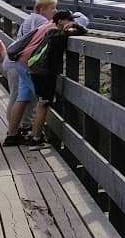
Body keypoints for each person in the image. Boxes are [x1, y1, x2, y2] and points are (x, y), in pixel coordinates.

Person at [24, 10, 84, 147]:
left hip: (36, 69)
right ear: (61, 21)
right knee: (43, 104)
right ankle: (36, 139)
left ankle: (35, 135)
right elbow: (83, 32)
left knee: (41, 103)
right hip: (45, 72)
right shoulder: (59, 34)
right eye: (69, 19)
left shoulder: (51, 32)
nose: (72, 22)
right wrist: (76, 26)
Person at [4, 0, 57, 143]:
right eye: (52, 8)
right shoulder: (41, 20)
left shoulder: (30, 18)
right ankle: (36, 135)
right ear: (41, 9)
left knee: (21, 98)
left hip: (17, 60)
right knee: (41, 99)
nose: (54, 11)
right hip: (26, 62)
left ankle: (12, 134)